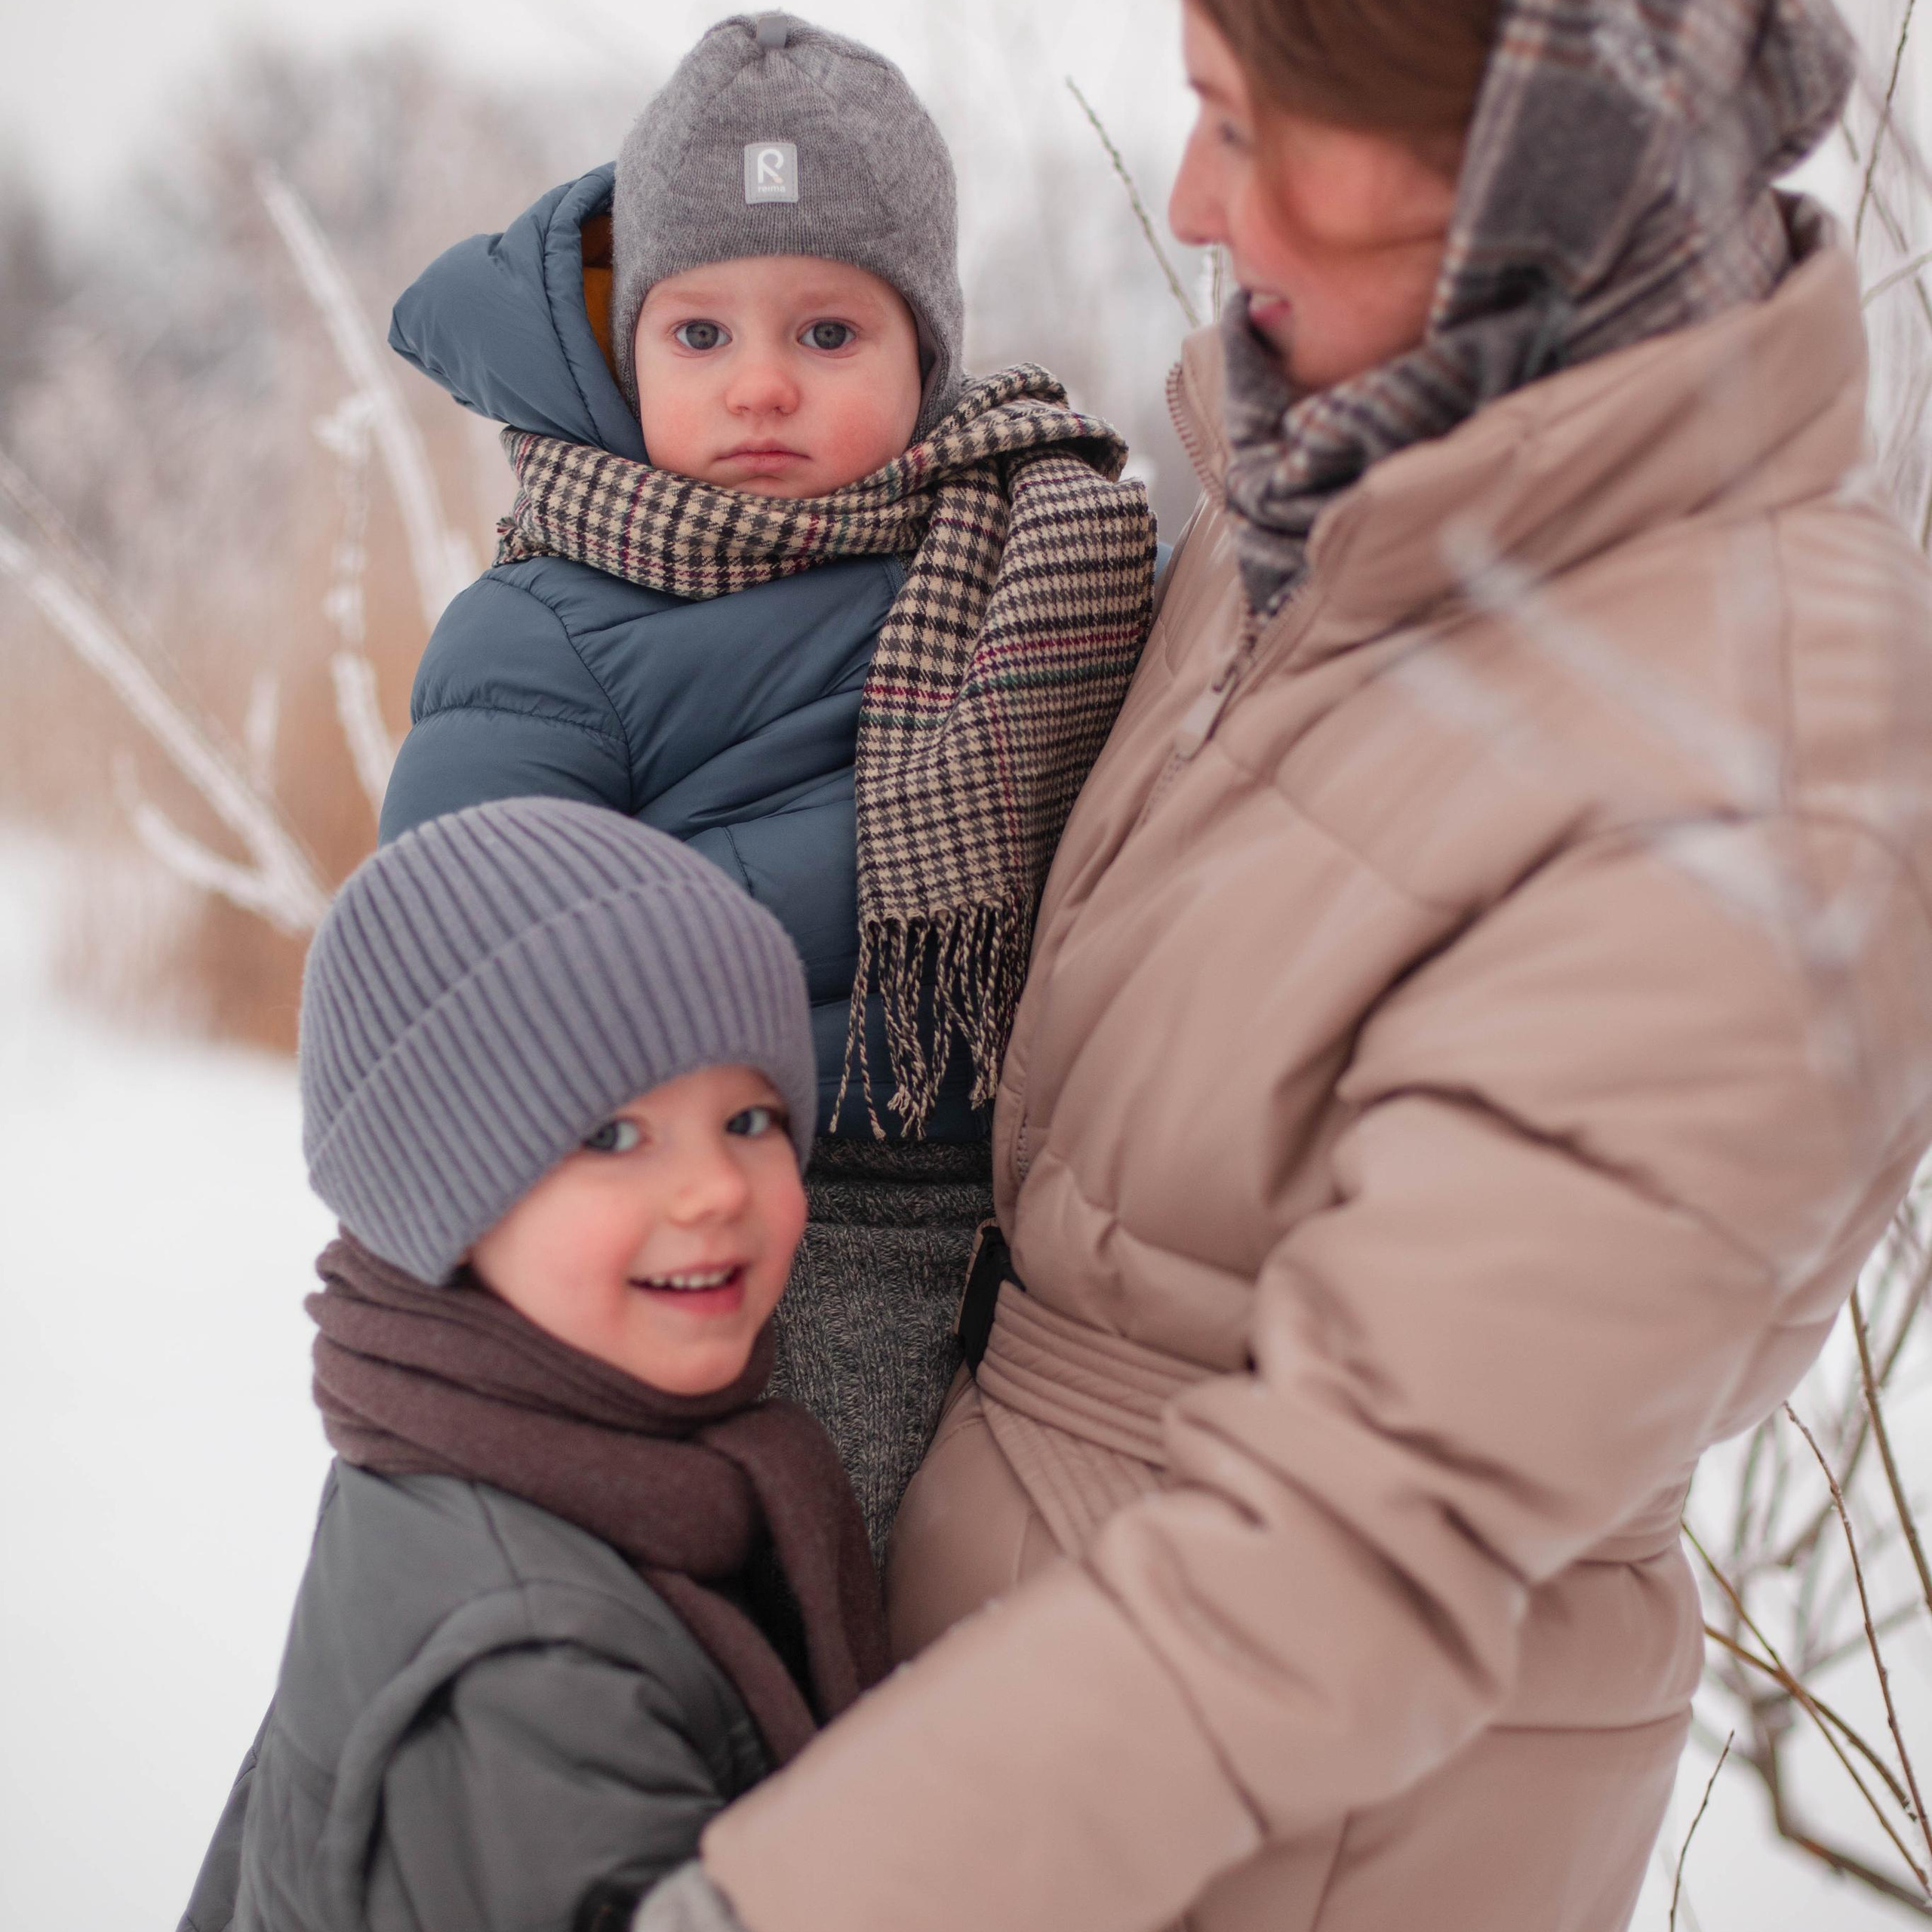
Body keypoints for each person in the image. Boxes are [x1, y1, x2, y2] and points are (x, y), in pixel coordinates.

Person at [631, 3, 1932, 1930]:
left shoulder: (1769, 744)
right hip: (1002, 1738)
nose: (1190, 199)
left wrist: (786, 1905)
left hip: (1262, 1845)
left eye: (1243, 126)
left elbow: (1359, 1544)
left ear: (1504, 161)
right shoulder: (1346, 497)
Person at [377, 13, 1158, 1555]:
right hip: (736, 1213)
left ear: (922, 355)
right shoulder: (548, 621)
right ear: (629, 347)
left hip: (1009, 1214)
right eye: (700, 334)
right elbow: (459, 963)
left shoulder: (1019, 553)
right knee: (786, 1596)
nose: (758, 389)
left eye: (824, 335)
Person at [177, 798, 887, 1932]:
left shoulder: (435, 1436)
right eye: (611, 1136)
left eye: (751, 1119)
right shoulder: (537, 1666)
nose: (713, 1187)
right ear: (443, 1202)